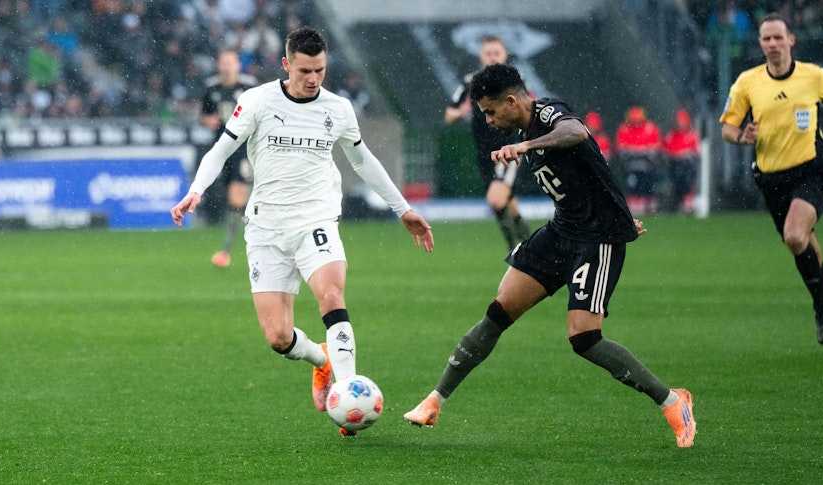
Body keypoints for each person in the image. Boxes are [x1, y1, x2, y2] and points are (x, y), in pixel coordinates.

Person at [404, 64, 696, 448]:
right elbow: (590, 177)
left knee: (585, 338)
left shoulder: (549, 114)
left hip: (597, 239)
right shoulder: (524, 130)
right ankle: (435, 401)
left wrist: (528, 147)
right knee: (498, 312)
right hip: (561, 232)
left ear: (512, 101)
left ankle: (673, 401)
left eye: (491, 111)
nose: (488, 120)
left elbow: (577, 132)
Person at [171, 27, 435, 436]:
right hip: (266, 228)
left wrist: (403, 209)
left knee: (331, 295)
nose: (314, 79)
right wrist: (196, 190)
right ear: (286, 65)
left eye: (320, 70)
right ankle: (322, 360)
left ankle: (348, 393)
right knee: (278, 337)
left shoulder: (338, 108)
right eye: (305, 71)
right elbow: (220, 151)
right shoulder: (257, 101)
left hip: (316, 220)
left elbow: (363, 161)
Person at [720, 12, 823, 360]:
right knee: (805, 247)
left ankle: (821, 309)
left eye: (779, 37)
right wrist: (741, 135)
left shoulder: (813, 76)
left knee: (794, 235)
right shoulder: (747, 82)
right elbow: (727, 128)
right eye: (767, 38)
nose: (773, 44)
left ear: (791, 40)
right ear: (760, 43)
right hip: (772, 180)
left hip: (811, 171)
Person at [445, 35, 529, 251]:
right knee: (507, 201)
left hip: (508, 149)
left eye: (496, 53)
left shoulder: (514, 82)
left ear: (505, 55)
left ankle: (516, 251)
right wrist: (459, 113)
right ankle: (529, 244)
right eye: (488, 53)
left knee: (496, 200)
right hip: (484, 153)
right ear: (481, 56)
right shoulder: (470, 82)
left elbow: (528, 108)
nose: (492, 57)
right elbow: (449, 115)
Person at [200, 48, 258, 268]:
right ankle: (254, 230)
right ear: (218, 65)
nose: (226, 67)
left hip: (243, 148)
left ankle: (227, 250)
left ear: (237, 65)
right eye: (223, 62)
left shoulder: (249, 87)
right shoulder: (211, 88)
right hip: (222, 149)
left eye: (230, 62)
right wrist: (208, 121)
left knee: (236, 197)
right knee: (235, 201)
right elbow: (204, 115)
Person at [615, 106, 662, 214]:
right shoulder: (624, 129)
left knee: (647, 186)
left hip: (647, 166)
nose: (636, 124)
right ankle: (635, 205)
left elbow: (656, 147)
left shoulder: (650, 128)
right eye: (634, 121)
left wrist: (638, 151)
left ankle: (648, 205)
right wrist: (639, 151)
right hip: (630, 166)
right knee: (632, 186)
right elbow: (621, 148)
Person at [663, 108, 700, 213]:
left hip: (687, 166)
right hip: (674, 165)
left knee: (687, 183)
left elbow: (696, 151)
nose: (680, 125)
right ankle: (678, 204)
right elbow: (665, 150)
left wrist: (684, 154)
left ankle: (688, 204)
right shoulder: (671, 135)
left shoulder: (692, 135)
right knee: (676, 185)